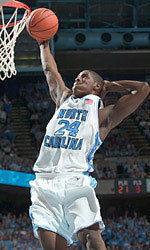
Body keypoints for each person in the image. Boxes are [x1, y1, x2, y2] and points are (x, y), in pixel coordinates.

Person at [29, 40, 150, 250]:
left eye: (85, 76)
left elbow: (143, 89)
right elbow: (49, 69)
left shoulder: (103, 114)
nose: (78, 78)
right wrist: (43, 44)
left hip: (75, 179)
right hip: (44, 182)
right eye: (77, 76)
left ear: (97, 86)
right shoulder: (64, 98)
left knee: (90, 237)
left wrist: (110, 86)